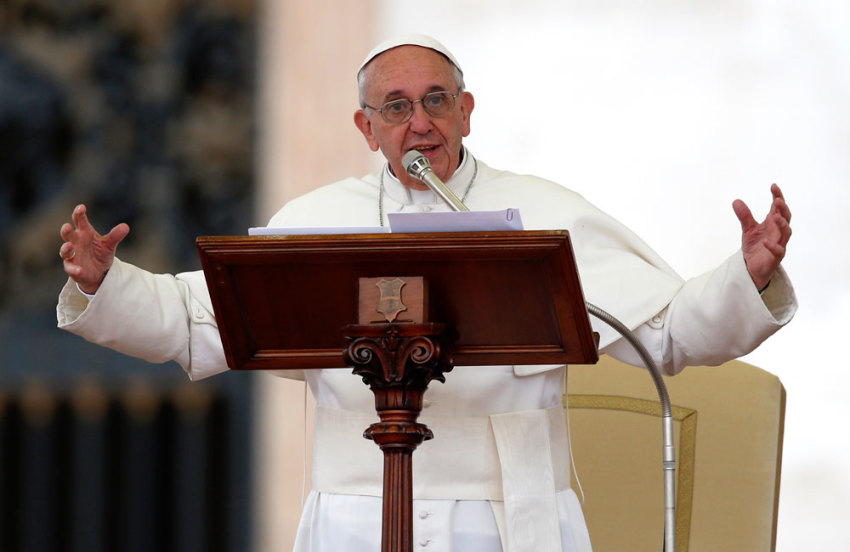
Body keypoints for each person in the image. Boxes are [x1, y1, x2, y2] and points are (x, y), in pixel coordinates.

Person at [58, 35, 796, 552]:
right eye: (396, 106)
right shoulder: (317, 221)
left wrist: (748, 276)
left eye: (436, 100)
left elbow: (663, 332)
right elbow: (198, 325)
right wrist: (107, 284)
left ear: (467, 111)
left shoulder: (546, 212)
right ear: (365, 126)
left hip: (506, 521)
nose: (420, 123)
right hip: (355, 515)